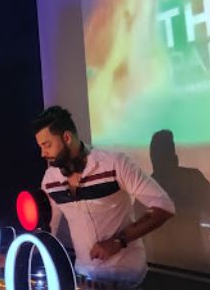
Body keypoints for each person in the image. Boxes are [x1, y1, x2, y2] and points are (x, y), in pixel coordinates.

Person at [33, 106, 175, 288]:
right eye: (41, 147)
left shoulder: (114, 164)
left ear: (67, 138)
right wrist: (14, 254)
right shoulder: (50, 179)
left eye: (47, 145)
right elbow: (47, 230)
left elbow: (164, 206)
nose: (43, 154)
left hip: (126, 279)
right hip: (84, 279)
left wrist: (119, 241)